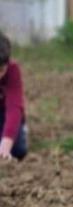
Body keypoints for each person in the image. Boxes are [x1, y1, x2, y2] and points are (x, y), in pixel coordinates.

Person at [0, 30, 27, 161]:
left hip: (3, 112)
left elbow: (14, 107)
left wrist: (6, 144)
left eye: (1, 70)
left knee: (18, 150)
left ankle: (21, 131)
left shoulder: (13, 70)